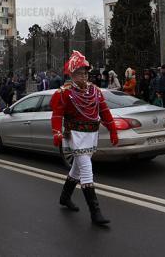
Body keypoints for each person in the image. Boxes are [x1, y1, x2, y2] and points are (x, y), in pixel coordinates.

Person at [51, 52, 118, 226]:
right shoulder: (64, 93)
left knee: (77, 169)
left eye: (85, 73)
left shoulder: (95, 90)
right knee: (87, 170)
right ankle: (95, 213)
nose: (84, 76)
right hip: (76, 135)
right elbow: (57, 115)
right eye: (80, 73)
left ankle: (64, 197)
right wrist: (57, 132)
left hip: (91, 134)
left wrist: (112, 129)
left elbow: (104, 111)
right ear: (71, 74)